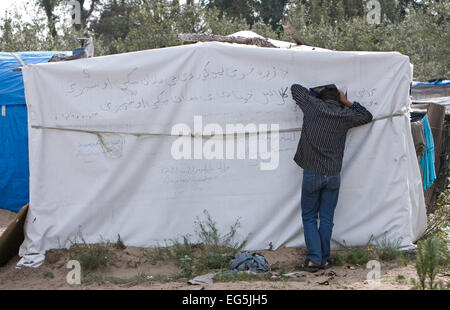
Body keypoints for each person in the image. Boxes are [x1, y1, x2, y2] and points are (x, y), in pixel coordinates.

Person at [291, 83, 373, 272]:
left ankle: (314, 260)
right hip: (333, 175)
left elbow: (295, 88)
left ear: (321, 98)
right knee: (326, 218)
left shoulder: (312, 106)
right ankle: (324, 258)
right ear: (339, 100)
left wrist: (314, 94)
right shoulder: (345, 115)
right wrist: (346, 101)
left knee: (309, 216)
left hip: (312, 172)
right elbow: (366, 115)